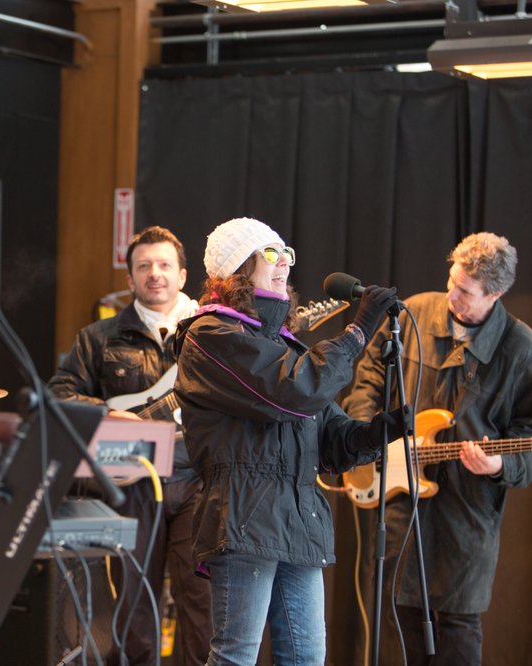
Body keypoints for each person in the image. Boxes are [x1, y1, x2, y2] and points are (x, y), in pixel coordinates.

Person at [173, 217, 404, 665]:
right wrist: (357, 333)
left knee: (306, 658)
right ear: (237, 268)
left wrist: (380, 432)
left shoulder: (286, 347)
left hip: (298, 519)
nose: (284, 264)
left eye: (287, 254)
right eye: (271, 254)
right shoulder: (210, 336)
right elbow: (294, 391)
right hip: (245, 516)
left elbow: (331, 442)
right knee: (236, 656)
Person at [342, 231, 532, 666]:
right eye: (452, 281)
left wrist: (499, 463)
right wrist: (368, 434)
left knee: (457, 628)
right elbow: (368, 379)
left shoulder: (523, 350)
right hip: (400, 500)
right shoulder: (414, 314)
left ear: (495, 294)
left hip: (467, 510)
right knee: (398, 619)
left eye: (465, 291)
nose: (451, 295)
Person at [48, 226, 212, 665]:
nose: (154, 273)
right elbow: (58, 395)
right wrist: (107, 414)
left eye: (164, 265)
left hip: (198, 479)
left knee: (204, 606)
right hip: (133, 481)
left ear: (182, 275)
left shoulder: (213, 334)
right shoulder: (98, 338)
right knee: (133, 606)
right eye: (144, 266)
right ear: (130, 279)